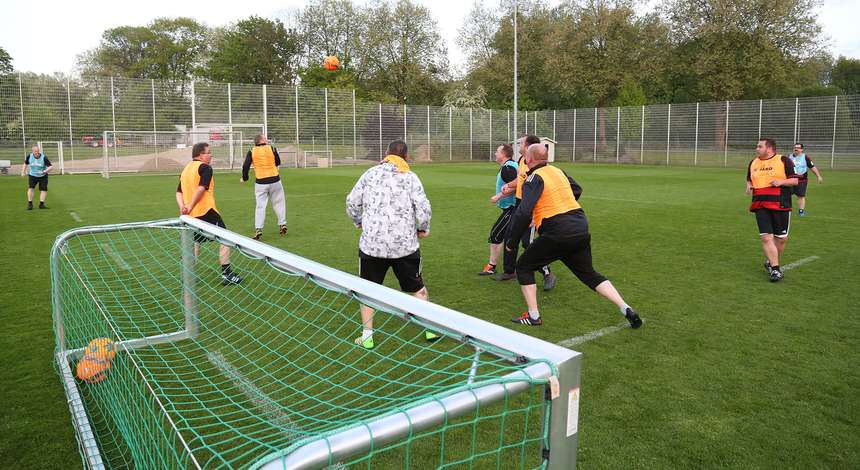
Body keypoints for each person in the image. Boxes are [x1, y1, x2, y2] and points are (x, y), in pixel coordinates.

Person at [506, 143, 642, 328]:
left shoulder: (533, 178)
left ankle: (533, 316)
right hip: (579, 226)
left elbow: (523, 212)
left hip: (557, 230)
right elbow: (577, 189)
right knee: (589, 274)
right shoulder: (558, 171)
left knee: (523, 266)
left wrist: (512, 243)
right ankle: (626, 308)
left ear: (528, 159)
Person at [346, 140, 436, 349]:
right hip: (404, 245)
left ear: (386, 154)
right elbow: (423, 207)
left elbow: (352, 202)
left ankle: (367, 335)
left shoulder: (370, 173)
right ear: (406, 157)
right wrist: (422, 228)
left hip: (372, 245)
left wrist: (358, 221)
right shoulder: (410, 177)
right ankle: (431, 328)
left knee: (368, 290)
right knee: (417, 287)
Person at [176, 142, 243, 285]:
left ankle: (187, 275)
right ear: (200, 154)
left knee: (195, 243)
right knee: (226, 239)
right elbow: (201, 189)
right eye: (208, 152)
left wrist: (184, 207)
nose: (211, 155)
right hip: (206, 211)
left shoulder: (186, 169)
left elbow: (178, 192)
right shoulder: (205, 168)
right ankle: (227, 274)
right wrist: (191, 205)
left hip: (191, 216)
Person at [496, 135, 556, 291]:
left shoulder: (538, 166)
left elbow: (539, 189)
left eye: (521, 142)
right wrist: (508, 186)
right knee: (510, 236)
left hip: (531, 206)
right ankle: (509, 271)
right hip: (519, 204)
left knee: (527, 243)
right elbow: (520, 179)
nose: (519, 144)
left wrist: (535, 216)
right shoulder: (522, 160)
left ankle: (547, 273)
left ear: (529, 146)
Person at [746, 138, 799, 282]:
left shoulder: (783, 161)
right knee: (766, 237)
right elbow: (749, 178)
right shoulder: (753, 162)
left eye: (759, 146)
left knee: (781, 239)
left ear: (769, 148)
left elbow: (795, 180)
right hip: (760, 204)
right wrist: (749, 185)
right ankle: (775, 269)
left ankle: (770, 262)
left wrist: (781, 182)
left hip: (780, 205)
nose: (757, 149)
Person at [479, 144, 518, 276]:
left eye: (497, 151)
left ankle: (492, 266)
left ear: (504, 154)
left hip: (513, 208)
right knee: (508, 238)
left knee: (496, 235)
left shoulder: (508, 168)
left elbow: (518, 186)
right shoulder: (510, 166)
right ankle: (506, 268)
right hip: (510, 209)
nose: (495, 153)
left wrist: (499, 196)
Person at [241, 134, 287, 240]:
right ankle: (282, 224)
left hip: (261, 182)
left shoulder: (251, 151)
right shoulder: (271, 148)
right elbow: (278, 162)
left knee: (260, 206)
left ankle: (258, 229)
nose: (266, 139)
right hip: (275, 180)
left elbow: (245, 166)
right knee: (279, 203)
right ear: (261, 140)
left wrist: (244, 178)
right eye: (265, 137)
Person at [787, 143, 823, 216]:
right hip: (790, 180)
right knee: (786, 195)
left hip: (801, 181)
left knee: (801, 196)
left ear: (801, 149)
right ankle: (787, 209)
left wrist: (818, 176)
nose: (796, 149)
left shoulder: (805, 157)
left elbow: (812, 167)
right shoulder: (789, 157)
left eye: (798, 148)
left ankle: (801, 211)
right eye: (795, 147)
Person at [22, 145, 53, 210]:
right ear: (32, 151)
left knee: (43, 190)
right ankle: (30, 204)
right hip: (32, 175)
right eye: (35, 151)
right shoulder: (29, 156)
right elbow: (25, 163)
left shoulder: (44, 157)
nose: (37, 152)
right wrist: (23, 172)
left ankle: (41, 204)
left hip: (43, 176)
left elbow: (51, 167)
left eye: (38, 151)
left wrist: (44, 171)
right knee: (31, 188)